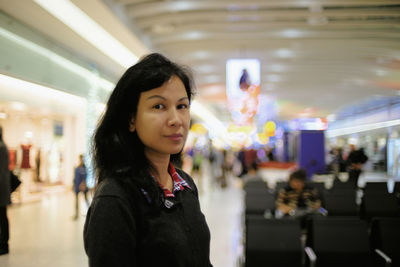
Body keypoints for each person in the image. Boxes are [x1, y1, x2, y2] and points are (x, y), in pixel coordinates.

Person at [84, 53, 213, 267]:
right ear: (131, 119)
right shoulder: (115, 198)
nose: (176, 120)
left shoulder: (185, 185)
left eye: (182, 106)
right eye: (158, 106)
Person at [0, 126, 10, 255]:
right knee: (2, 217)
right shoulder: (3, 146)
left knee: (2, 217)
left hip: (1, 189)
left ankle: (4, 244)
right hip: (3, 188)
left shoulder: (1, 148)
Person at [72, 154, 89, 220]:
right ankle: (76, 214)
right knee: (76, 201)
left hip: (83, 186)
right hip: (77, 186)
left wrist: (83, 184)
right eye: (80, 159)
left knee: (86, 199)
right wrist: (73, 185)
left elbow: (85, 177)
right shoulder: (77, 168)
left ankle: (89, 213)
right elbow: (75, 178)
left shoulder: (85, 169)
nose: (81, 160)